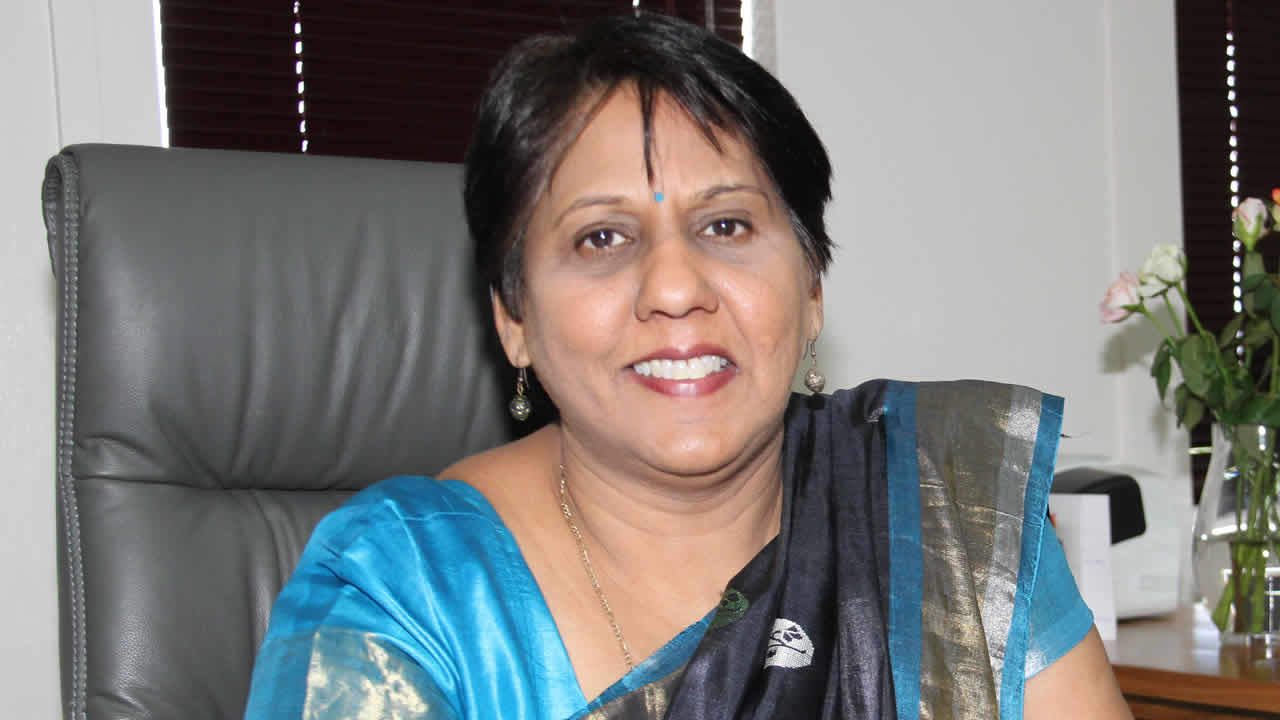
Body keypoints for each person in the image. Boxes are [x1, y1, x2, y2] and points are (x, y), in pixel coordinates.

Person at [245, 13, 1132, 719]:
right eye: (602, 238)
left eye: (726, 226)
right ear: (514, 319)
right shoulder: (408, 593)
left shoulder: (944, 515)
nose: (674, 289)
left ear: (812, 287)